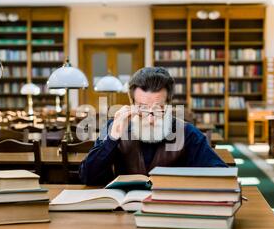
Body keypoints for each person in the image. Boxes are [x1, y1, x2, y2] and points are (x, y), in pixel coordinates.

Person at [79, 67, 227, 185]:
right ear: (132, 104)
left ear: (169, 105)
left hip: (172, 212)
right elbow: (87, 177)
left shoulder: (187, 133)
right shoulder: (115, 126)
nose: (150, 120)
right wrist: (112, 138)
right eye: (142, 108)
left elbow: (221, 177)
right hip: (122, 213)